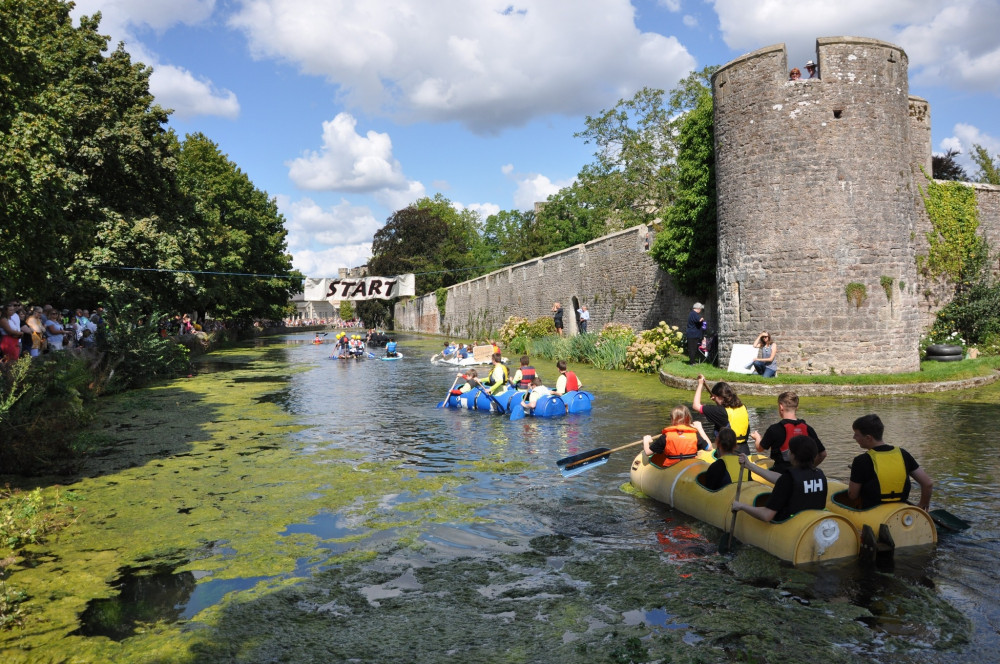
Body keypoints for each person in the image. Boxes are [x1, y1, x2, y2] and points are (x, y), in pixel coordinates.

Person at [847, 414, 933, 511]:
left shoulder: (861, 460)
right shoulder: (903, 454)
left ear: (868, 438)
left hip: (872, 513)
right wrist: (922, 504)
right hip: (900, 512)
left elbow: (852, 495)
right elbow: (927, 484)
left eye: (856, 434)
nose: (854, 437)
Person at [732, 435, 827, 523]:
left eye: (790, 450)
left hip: (790, 526)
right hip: (813, 523)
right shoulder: (820, 475)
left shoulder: (789, 478)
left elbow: (767, 515)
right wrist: (750, 466)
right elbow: (783, 480)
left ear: (793, 455)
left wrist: (741, 506)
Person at [750, 391, 826, 473]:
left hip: (781, 474)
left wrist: (757, 438)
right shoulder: (808, 428)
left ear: (781, 407)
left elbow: (760, 448)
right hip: (803, 472)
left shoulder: (774, 429)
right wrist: (808, 469)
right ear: (797, 408)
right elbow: (822, 454)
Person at [693, 375, 750, 454]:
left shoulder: (720, 412)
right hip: (745, 450)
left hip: (729, 452)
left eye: (715, 397)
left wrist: (700, 384)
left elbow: (696, 406)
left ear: (720, 397)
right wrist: (716, 399)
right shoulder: (743, 407)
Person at [642, 405, 711, 468]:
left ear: (672, 420)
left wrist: (646, 441)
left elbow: (648, 452)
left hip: (671, 469)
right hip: (690, 468)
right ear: (688, 419)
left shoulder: (666, 436)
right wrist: (700, 429)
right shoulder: (695, 435)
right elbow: (709, 448)